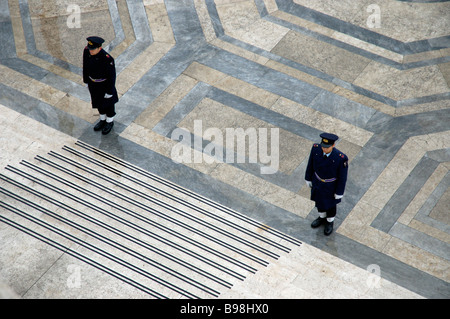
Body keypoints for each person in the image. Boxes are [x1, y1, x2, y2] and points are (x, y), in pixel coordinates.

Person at [305, 133, 348, 235]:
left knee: (330, 205)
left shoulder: (340, 158)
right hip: (318, 182)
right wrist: (308, 178)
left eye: (327, 147)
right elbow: (310, 164)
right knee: (319, 201)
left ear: (333, 145)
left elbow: (342, 177)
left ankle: (329, 222)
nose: (324, 149)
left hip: (330, 186)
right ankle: (322, 217)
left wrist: (339, 192)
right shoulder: (316, 149)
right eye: (323, 146)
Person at [83, 36, 118, 135]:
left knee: (108, 105)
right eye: (90, 49)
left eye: (93, 49)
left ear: (100, 48)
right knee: (97, 102)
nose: (91, 51)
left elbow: (111, 76)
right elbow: (85, 66)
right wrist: (86, 80)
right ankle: (102, 119)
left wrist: (110, 91)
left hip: (104, 84)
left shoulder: (107, 59)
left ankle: (109, 122)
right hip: (93, 83)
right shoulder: (86, 51)